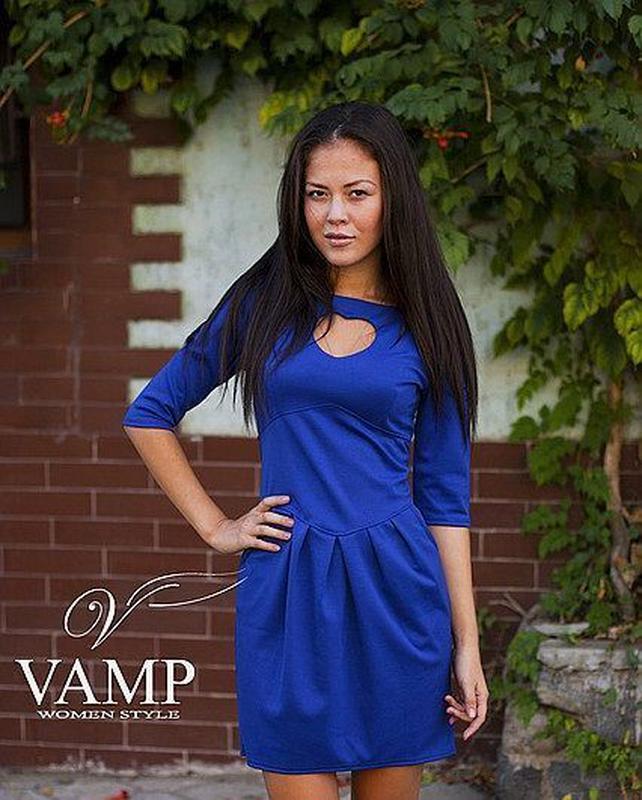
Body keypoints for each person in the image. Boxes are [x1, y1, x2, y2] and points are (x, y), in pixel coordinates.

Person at [122, 100, 488, 800]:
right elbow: (150, 413)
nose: (335, 215)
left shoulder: (429, 322)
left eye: (357, 194)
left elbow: (444, 500)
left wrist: (467, 648)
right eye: (317, 194)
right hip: (287, 590)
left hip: (397, 595)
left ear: (393, 200)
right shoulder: (264, 303)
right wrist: (216, 526)